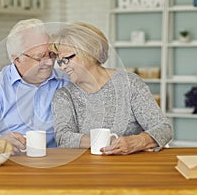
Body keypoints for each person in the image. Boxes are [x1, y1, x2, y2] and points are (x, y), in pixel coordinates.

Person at [50, 22, 173, 155]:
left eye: (67, 58)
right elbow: (63, 137)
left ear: (90, 51)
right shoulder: (64, 95)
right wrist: (106, 141)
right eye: (60, 61)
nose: (62, 67)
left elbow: (164, 129)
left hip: (130, 167)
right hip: (85, 169)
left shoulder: (130, 83)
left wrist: (136, 142)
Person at [0, 19, 69, 154]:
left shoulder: (66, 80)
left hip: (52, 161)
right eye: (40, 57)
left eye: (51, 54)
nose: (49, 62)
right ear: (17, 59)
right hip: (11, 163)